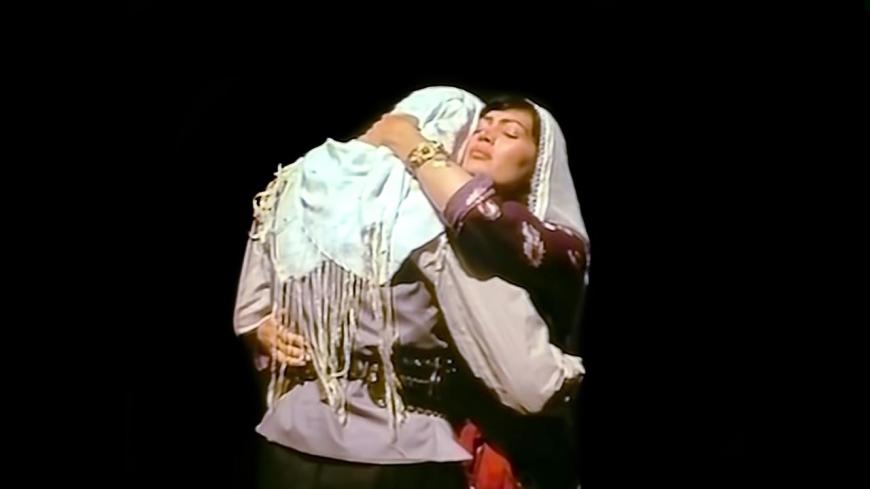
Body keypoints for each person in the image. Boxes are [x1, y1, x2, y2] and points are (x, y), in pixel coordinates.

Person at [234, 86, 589, 489]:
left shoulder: (302, 187)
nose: (486, 135)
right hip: (398, 446)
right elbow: (528, 382)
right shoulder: (426, 223)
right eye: (479, 126)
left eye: (510, 132)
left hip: (290, 435)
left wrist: (407, 140)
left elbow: (251, 307)